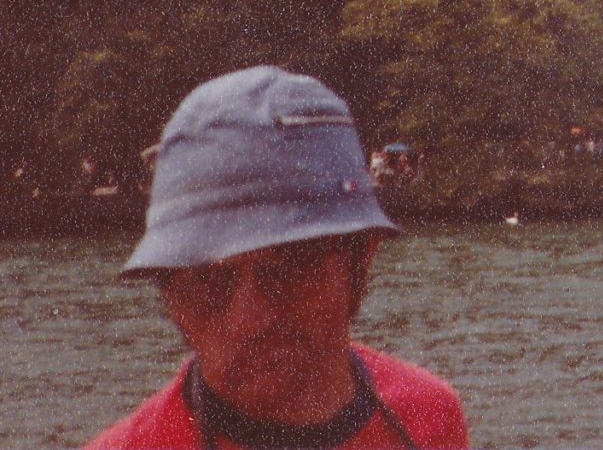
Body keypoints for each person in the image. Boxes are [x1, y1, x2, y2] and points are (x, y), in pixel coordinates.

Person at [88, 66, 467, 449]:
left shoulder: (428, 418)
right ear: (169, 294)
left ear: (361, 260)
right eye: (207, 283)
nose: (249, 320)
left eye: (290, 270)